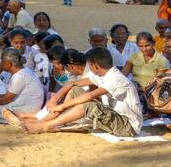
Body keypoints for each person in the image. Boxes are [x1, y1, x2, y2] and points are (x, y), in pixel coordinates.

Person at [11, 47, 143, 137]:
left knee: (88, 105)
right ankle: (45, 120)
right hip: (114, 116)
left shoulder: (116, 78)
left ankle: (46, 126)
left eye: (89, 65)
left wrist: (62, 105)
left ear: (95, 65)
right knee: (75, 90)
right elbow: (73, 84)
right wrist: (55, 99)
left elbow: (90, 95)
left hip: (128, 126)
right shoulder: (103, 74)